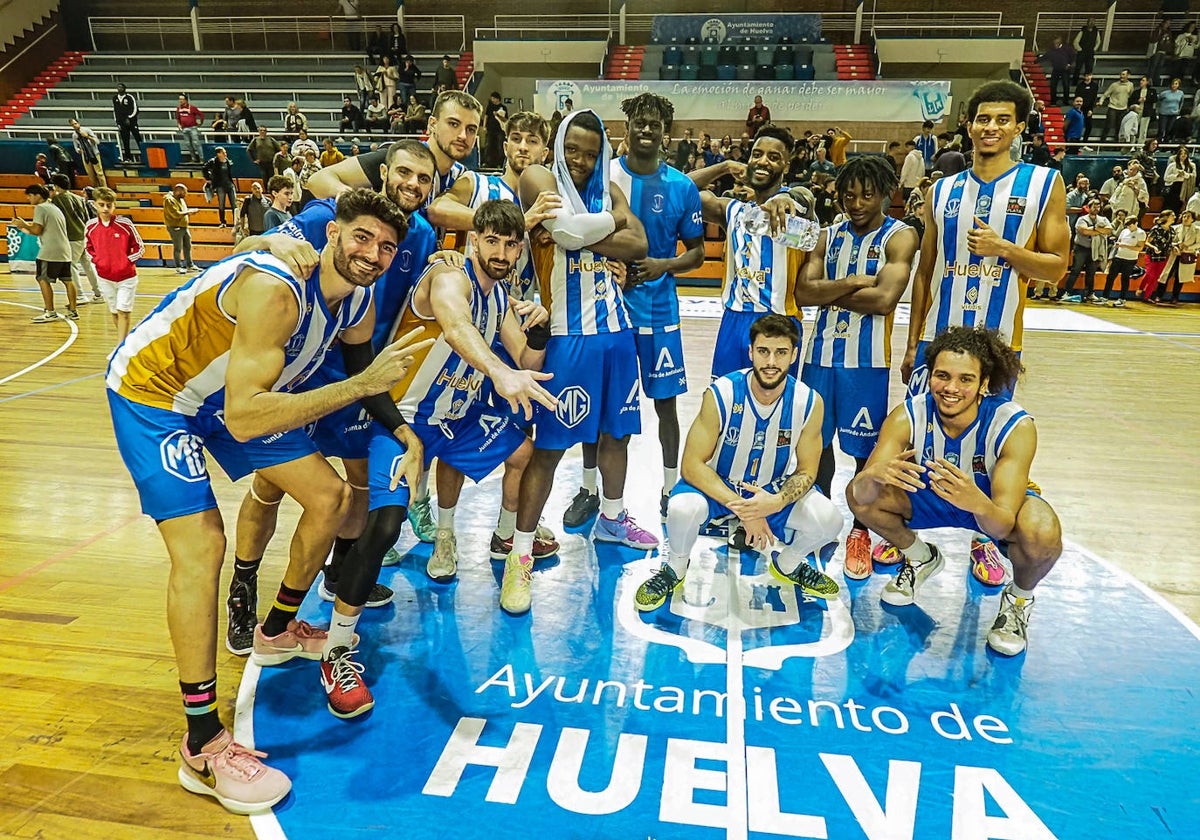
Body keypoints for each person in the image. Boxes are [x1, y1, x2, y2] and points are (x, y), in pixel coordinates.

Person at [105, 187, 431, 813]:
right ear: (333, 232)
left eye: (388, 247)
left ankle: (276, 630)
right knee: (203, 546)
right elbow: (250, 415)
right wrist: (360, 386)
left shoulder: (356, 298)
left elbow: (360, 362)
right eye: (362, 237)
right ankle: (201, 744)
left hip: (238, 398)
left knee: (333, 497)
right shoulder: (279, 287)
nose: (373, 254)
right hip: (158, 395)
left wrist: (400, 427)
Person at [318, 200, 558, 714]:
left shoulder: (501, 295)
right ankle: (336, 646)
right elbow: (455, 325)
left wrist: (540, 328)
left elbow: (525, 358)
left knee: (527, 455)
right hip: (406, 421)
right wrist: (499, 373)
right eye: (491, 241)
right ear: (473, 242)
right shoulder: (450, 276)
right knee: (383, 527)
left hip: (459, 417)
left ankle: (511, 551)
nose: (501, 251)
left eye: (511, 244)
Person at [225, 141, 441, 651]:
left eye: (424, 179)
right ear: (383, 172)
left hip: (357, 365)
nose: (413, 184)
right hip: (294, 375)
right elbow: (249, 249)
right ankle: (244, 585)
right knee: (272, 486)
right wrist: (266, 243)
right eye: (405, 173)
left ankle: (337, 572)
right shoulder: (333, 212)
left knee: (358, 483)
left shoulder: (423, 236)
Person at [902, 80, 1069, 587]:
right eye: (981, 119)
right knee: (919, 435)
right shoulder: (943, 189)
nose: (990, 128)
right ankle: (913, 545)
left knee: (989, 444)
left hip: (999, 345)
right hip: (940, 338)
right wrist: (913, 343)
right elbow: (926, 272)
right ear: (968, 125)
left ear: (1019, 126)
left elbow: (1057, 268)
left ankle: (985, 541)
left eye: (1002, 120)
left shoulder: (1044, 183)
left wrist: (1006, 249)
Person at [509, 109, 651, 615]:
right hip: (565, 336)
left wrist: (594, 228)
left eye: (592, 153)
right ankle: (519, 557)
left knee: (618, 434)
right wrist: (611, 224)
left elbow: (641, 244)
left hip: (616, 333)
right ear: (557, 144)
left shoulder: (608, 186)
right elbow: (566, 235)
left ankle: (611, 517)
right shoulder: (538, 176)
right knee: (548, 450)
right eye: (574, 150)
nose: (582, 161)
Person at [848, 326, 1062, 656]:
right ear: (929, 375)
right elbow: (859, 498)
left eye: (965, 379)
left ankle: (1018, 600)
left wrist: (976, 501)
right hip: (930, 495)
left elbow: (1002, 525)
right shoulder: (909, 415)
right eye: (942, 376)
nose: (951, 388)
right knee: (862, 496)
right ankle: (921, 558)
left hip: (989, 505)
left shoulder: (1014, 425)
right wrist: (873, 475)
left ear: (984, 383)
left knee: (1042, 532)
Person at [561, 93, 706, 527]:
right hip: (606, 309)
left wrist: (663, 264)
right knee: (602, 406)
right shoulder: (604, 178)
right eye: (639, 123)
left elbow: (697, 253)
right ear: (626, 127)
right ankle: (589, 488)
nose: (646, 130)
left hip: (660, 311)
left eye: (655, 124)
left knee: (666, 405)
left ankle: (670, 485)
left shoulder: (682, 187)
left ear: (667, 132)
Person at [636, 314, 843, 610]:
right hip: (720, 485)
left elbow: (808, 471)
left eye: (781, 353)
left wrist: (774, 502)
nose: (771, 362)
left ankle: (788, 564)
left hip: (771, 489)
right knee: (681, 508)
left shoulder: (809, 401)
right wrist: (746, 511)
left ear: (794, 355)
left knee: (830, 520)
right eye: (763, 351)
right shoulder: (722, 392)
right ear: (750, 352)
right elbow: (692, 465)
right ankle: (675, 569)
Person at [794, 156, 918, 579]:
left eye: (868, 194)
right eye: (849, 194)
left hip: (866, 364)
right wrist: (852, 283)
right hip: (818, 357)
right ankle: (821, 518)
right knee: (816, 445)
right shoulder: (825, 235)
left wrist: (826, 291)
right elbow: (804, 293)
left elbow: (885, 301)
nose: (857, 202)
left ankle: (861, 531)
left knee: (864, 454)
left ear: (885, 192)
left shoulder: (900, 237)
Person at [689, 124, 817, 382]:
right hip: (733, 321)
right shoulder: (733, 210)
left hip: (779, 322)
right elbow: (677, 189)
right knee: (726, 401)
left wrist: (790, 196)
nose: (763, 161)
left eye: (774, 157)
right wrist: (724, 166)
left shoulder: (795, 211)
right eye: (757, 154)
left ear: (787, 166)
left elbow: (806, 199)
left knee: (775, 409)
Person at [85, 186, 144, 344]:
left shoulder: (125, 224)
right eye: (101, 204)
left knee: (123, 310)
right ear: (95, 204)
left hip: (127, 277)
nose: (105, 208)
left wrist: (126, 261)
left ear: (114, 205)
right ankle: (126, 342)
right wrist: (98, 261)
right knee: (114, 312)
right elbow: (88, 248)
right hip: (104, 277)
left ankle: (120, 347)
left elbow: (140, 247)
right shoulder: (90, 227)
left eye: (109, 205)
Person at [12, 184, 77, 322]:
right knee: (68, 280)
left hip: (50, 251)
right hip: (64, 250)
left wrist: (23, 224)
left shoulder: (40, 208)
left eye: (30, 196)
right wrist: (26, 228)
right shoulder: (54, 207)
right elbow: (42, 231)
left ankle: (50, 312)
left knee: (43, 279)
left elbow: (36, 230)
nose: (28, 199)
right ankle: (73, 311)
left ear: (38, 195)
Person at [47, 173, 102, 305]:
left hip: (71, 237)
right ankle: (99, 293)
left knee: (71, 265)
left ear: (56, 186)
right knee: (88, 265)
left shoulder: (58, 199)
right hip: (83, 234)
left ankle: (80, 295)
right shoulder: (78, 198)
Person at [1056, 199, 1112, 303]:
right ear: (1089, 208)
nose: (1096, 209)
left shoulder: (1103, 219)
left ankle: (1090, 294)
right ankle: (1067, 292)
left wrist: (1093, 230)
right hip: (1081, 248)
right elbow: (1084, 231)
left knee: (1091, 273)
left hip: (1095, 249)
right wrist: (1099, 230)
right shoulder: (1081, 219)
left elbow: (1108, 230)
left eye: (1098, 207)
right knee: (1075, 270)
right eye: (1094, 207)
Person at [1097, 214, 1146, 305]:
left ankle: (1122, 298)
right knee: (1110, 277)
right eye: (1127, 225)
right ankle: (1105, 297)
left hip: (1130, 259)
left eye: (1130, 225)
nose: (1129, 227)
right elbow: (1119, 242)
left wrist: (1125, 246)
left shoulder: (1141, 233)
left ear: (1136, 223)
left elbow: (1139, 248)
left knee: (1125, 279)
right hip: (1119, 256)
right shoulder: (1124, 231)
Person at [1139, 209, 1176, 301]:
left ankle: (1147, 296)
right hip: (1151, 255)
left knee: (1156, 277)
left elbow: (1169, 243)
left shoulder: (1172, 231)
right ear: (1166, 217)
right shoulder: (1156, 229)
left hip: (1163, 256)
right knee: (1150, 274)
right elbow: (1147, 242)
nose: (1174, 217)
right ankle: (1141, 288)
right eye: (1172, 216)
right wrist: (1154, 248)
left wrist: (1173, 247)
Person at [163, 183, 197, 274]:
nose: (186, 194)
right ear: (178, 191)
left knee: (188, 246)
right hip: (175, 227)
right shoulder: (169, 200)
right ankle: (178, 266)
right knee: (178, 247)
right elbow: (175, 214)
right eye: (184, 192)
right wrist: (189, 212)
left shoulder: (180, 199)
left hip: (184, 226)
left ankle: (190, 265)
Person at [202, 146, 236, 228]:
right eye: (223, 152)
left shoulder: (228, 162)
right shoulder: (213, 162)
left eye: (225, 152)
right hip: (220, 186)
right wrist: (208, 178)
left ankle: (236, 222)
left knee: (234, 205)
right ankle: (223, 222)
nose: (225, 154)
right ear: (218, 154)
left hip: (230, 185)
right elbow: (204, 168)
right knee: (221, 205)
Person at [69, 118, 106, 188]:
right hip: (85, 155)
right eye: (72, 125)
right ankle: (96, 189)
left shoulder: (87, 130)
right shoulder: (74, 135)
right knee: (90, 174)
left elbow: (97, 141)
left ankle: (105, 189)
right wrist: (78, 150)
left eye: (75, 124)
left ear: (78, 123)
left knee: (99, 173)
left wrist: (87, 136)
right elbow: (75, 146)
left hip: (94, 153)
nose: (75, 126)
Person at [1099, 69, 1135, 142]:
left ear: (1128, 75)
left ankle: (1117, 144)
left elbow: (1131, 95)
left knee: (1119, 128)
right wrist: (1101, 101)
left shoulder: (1130, 85)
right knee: (1107, 126)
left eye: (1124, 74)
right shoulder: (1114, 85)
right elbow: (1105, 94)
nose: (1121, 76)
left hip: (1123, 109)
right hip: (1113, 107)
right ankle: (1101, 143)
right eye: (1121, 74)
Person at [111, 83, 142, 163]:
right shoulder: (115, 98)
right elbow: (115, 110)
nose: (119, 88)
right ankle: (128, 158)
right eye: (118, 87)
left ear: (125, 88)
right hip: (122, 123)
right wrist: (117, 122)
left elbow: (135, 109)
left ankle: (144, 155)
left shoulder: (130, 97)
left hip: (132, 122)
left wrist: (130, 117)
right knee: (125, 140)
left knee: (138, 138)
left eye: (121, 87)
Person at [1163, 143, 1195, 213]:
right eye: (1181, 153)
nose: (1183, 155)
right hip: (1174, 187)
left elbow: (1193, 176)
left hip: (1185, 188)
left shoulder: (1191, 165)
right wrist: (1176, 176)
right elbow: (1166, 177)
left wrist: (1185, 174)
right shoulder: (1172, 165)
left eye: (1185, 153)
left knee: (1181, 208)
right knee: (1171, 207)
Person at [175, 94, 204, 164]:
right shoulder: (178, 108)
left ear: (186, 100)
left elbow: (201, 115)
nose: (180, 101)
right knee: (188, 144)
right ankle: (193, 158)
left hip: (192, 128)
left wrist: (200, 122)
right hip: (184, 128)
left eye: (182, 99)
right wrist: (179, 124)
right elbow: (178, 117)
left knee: (196, 143)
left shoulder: (192, 108)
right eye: (179, 99)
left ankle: (202, 159)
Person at [483, 92, 508, 169]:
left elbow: (505, 119)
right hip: (491, 129)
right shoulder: (490, 107)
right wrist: (484, 126)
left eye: (493, 98)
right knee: (489, 146)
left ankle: (500, 163)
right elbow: (486, 116)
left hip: (499, 130)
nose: (492, 100)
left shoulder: (503, 108)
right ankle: (488, 162)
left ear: (497, 99)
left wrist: (498, 115)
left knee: (499, 146)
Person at [1072, 18, 1100, 84]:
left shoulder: (1096, 32)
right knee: (1078, 68)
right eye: (1090, 22)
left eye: (1093, 22)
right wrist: (1079, 49)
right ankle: (1074, 83)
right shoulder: (1082, 31)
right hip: (1082, 52)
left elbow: (1098, 41)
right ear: (1087, 23)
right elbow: (1075, 41)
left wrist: (1094, 49)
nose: (1091, 23)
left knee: (1089, 69)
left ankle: (1087, 83)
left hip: (1090, 52)